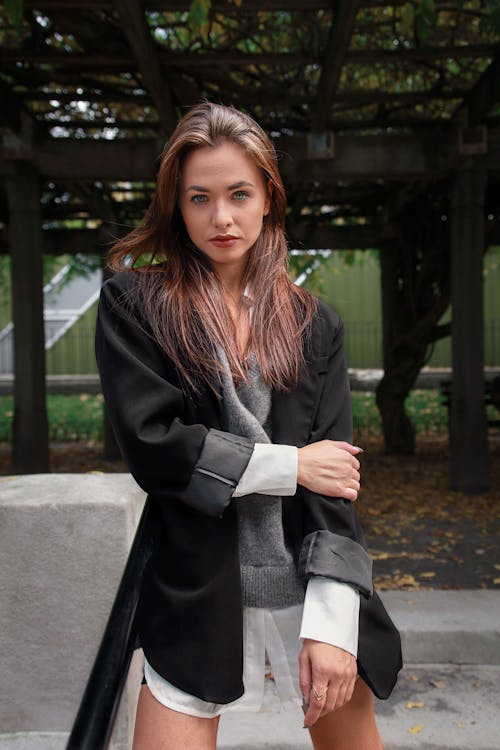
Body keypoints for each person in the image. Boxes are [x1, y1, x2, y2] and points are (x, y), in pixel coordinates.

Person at [95, 102, 402, 750]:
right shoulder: (136, 303)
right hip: (195, 583)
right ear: (176, 206)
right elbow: (153, 446)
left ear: (269, 197)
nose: (222, 218)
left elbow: (336, 479)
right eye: (199, 198)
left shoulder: (313, 324)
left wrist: (334, 620)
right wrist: (291, 465)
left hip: (305, 574)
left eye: (239, 194)